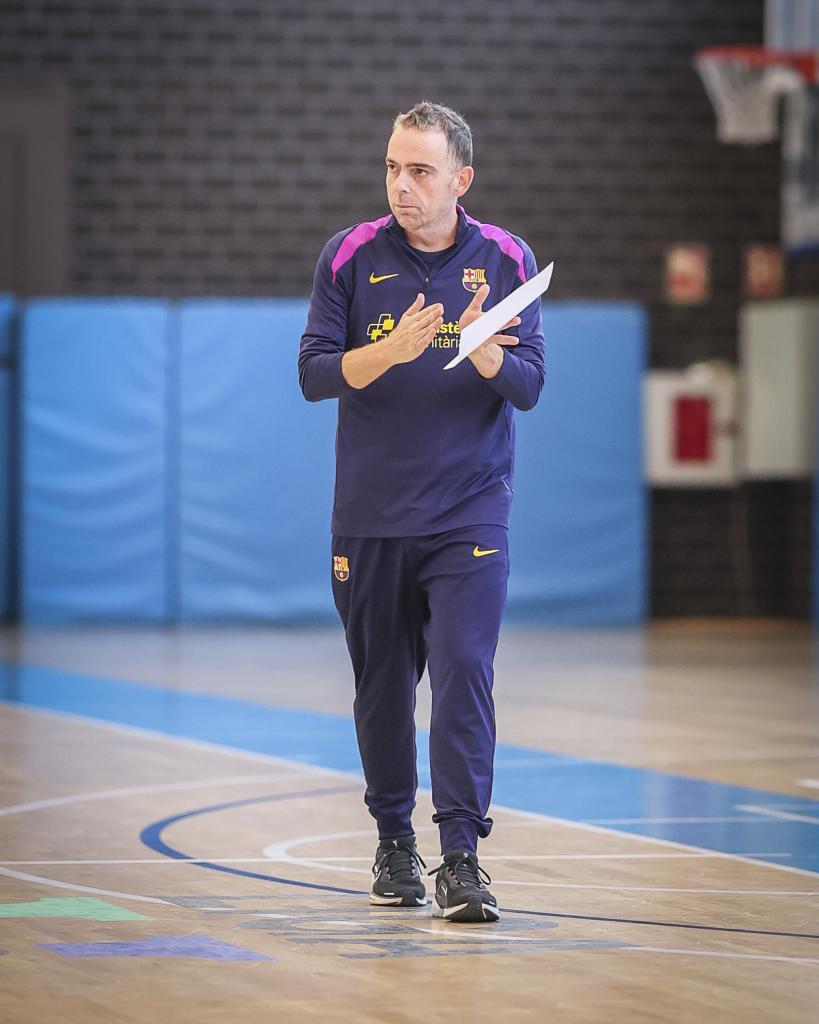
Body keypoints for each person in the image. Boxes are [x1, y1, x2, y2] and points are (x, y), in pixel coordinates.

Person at [298, 100, 545, 923]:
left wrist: (482, 357)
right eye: (393, 168)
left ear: (460, 179)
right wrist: (390, 349)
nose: (401, 185)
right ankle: (393, 841)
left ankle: (463, 857)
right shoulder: (349, 255)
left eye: (420, 170)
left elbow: (529, 386)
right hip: (368, 513)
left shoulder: (507, 259)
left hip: (470, 513)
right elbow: (314, 373)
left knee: (465, 671)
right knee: (382, 687)